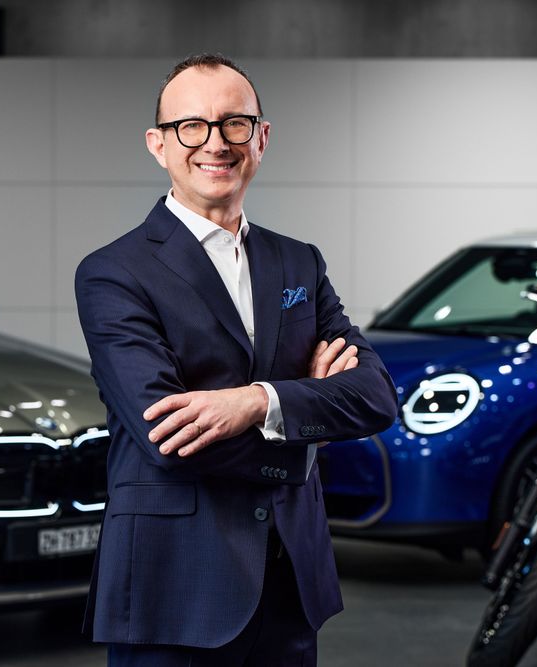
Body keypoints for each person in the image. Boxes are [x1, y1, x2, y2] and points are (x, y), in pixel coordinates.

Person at [75, 53, 398, 666]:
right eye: (191, 126)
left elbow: (377, 394)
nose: (215, 143)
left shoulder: (298, 261)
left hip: (291, 581)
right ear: (158, 144)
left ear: (262, 136)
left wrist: (258, 402)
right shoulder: (114, 273)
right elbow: (166, 435)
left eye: (235, 123)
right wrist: (309, 422)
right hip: (176, 588)